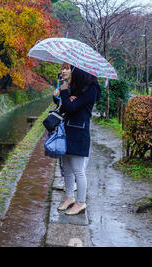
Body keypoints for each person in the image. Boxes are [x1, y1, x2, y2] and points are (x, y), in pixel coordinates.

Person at [54, 63, 101, 215]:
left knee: (78, 171)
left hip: (80, 134)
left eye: (71, 69)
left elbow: (72, 108)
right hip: (67, 130)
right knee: (67, 168)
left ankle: (80, 202)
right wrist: (58, 96)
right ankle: (69, 198)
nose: (67, 71)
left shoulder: (91, 90)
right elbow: (64, 107)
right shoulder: (74, 87)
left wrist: (67, 94)